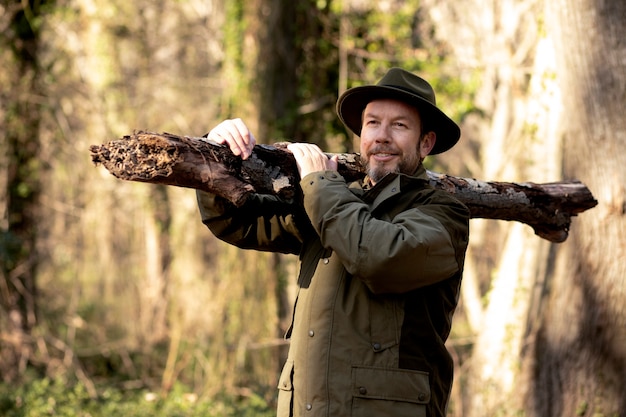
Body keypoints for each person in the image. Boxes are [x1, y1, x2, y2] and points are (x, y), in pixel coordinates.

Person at [196, 67, 470, 417]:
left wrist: (319, 183)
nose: (381, 136)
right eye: (372, 123)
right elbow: (238, 221)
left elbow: (378, 256)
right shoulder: (334, 196)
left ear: (426, 142)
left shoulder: (443, 213)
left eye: (399, 125)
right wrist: (215, 153)